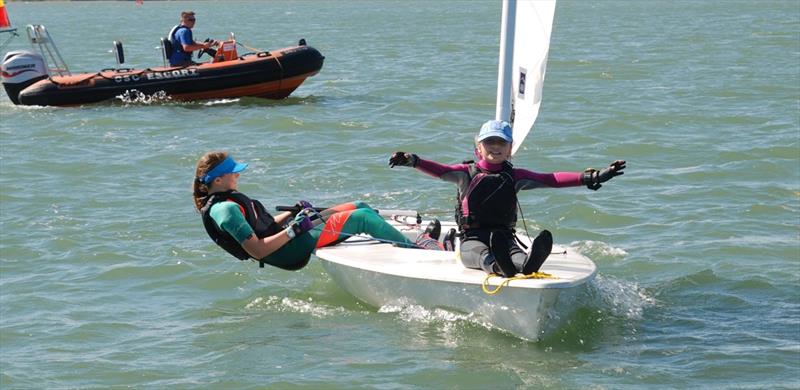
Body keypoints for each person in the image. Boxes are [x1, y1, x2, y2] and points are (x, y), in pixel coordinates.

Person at [389, 119, 626, 277]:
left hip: (504, 238)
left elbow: (551, 178)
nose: (495, 146)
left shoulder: (515, 176)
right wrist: (412, 160)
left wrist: (593, 177)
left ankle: (527, 265)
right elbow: (439, 170)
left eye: (501, 142)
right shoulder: (466, 173)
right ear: (478, 149)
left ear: (510, 148)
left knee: (518, 257)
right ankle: (499, 267)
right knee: (483, 256)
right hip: (473, 240)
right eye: (489, 142)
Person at [192, 151, 429, 271]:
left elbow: (263, 227)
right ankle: (420, 255)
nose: (238, 174)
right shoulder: (225, 211)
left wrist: (291, 214)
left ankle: (397, 242)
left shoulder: (230, 201)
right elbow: (258, 249)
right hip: (286, 252)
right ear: (219, 179)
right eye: (234, 172)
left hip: (288, 239)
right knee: (362, 218)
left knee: (358, 206)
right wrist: (294, 230)